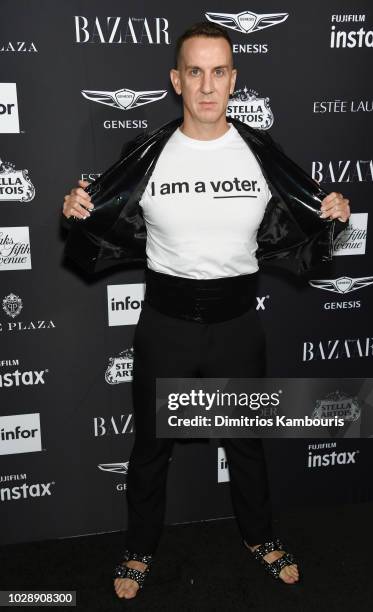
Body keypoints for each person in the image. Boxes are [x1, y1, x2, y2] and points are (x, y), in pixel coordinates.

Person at [62, 22, 350, 600]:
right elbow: (101, 217)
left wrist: (333, 212)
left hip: (238, 325)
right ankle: (139, 549)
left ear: (234, 80)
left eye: (219, 71)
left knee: (245, 442)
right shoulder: (145, 155)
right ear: (176, 80)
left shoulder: (260, 153)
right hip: (165, 326)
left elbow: (305, 218)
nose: (207, 85)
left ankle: (261, 536)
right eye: (195, 71)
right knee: (150, 448)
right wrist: (77, 207)